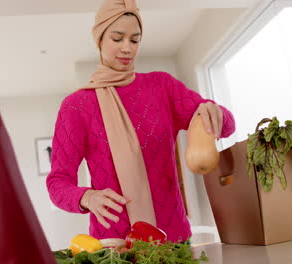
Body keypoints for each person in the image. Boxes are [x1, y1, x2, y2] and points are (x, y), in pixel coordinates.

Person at [46, 0, 235, 243]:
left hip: (174, 240)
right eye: (117, 38)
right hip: (115, 246)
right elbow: (57, 183)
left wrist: (216, 113)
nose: (127, 48)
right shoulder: (76, 106)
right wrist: (87, 197)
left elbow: (227, 127)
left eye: (134, 40)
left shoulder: (162, 87)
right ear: (99, 40)